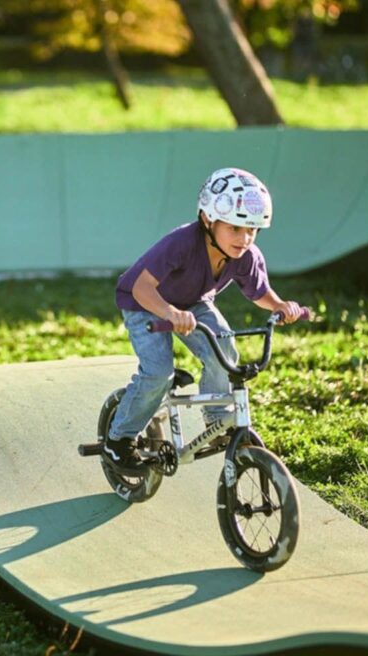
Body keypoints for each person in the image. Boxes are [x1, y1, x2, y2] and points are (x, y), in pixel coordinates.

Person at [105, 167, 305, 469]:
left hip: (193, 303)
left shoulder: (246, 255)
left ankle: (217, 421)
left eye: (251, 230)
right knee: (158, 372)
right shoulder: (181, 244)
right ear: (207, 220)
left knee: (224, 349)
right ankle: (119, 439)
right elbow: (142, 287)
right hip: (144, 303)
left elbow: (258, 290)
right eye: (234, 228)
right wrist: (170, 313)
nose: (244, 238)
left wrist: (278, 305)